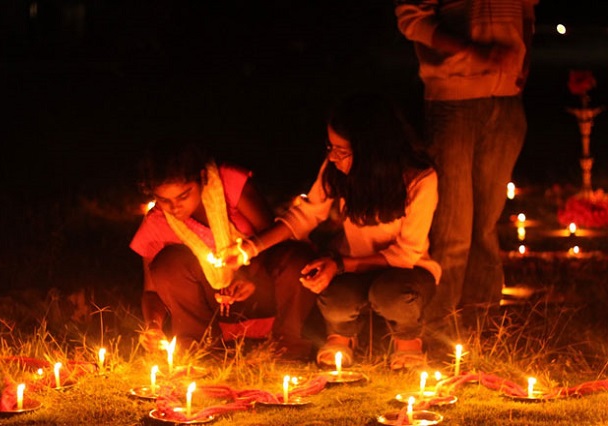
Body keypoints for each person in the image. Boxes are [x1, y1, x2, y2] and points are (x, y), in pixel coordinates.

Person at [223, 93, 441, 369]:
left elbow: (406, 254)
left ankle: (408, 343)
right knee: (332, 293)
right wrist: (249, 248)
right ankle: (341, 339)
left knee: (391, 293)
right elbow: (305, 214)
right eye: (330, 147)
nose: (333, 156)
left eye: (342, 150)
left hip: (407, 271)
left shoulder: (419, 178)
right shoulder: (337, 169)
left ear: (372, 150)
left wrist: (338, 264)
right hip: (351, 267)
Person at [394, 0, 539, 335]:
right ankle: (438, 330)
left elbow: (528, 11)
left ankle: (481, 327)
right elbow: (413, 19)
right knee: (453, 229)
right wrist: (474, 51)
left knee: (485, 227)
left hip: (506, 97)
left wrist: (524, 60)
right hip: (453, 97)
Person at [129, 140, 317, 359]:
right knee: (167, 264)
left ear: (201, 178)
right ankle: (202, 350)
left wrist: (246, 273)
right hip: (214, 306)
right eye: (164, 200)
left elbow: (272, 236)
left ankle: (288, 348)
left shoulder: (227, 183)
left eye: (183, 195)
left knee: (296, 258)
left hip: (262, 289)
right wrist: (153, 326)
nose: (175, 207)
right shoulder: (157, 223)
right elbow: (151, 291)